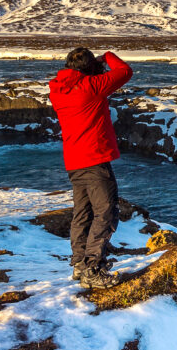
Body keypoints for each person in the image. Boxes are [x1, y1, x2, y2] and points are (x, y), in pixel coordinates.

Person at [49, 47, 133, 288]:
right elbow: (125, 71)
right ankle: (92, 269)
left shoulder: (58, 90)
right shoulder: (91, 87)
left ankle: (79, 264)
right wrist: (107, 56)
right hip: (95, 159)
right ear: (89, 69)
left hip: (74, 161)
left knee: (83, 212)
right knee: (106, 213)